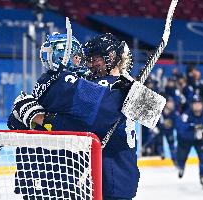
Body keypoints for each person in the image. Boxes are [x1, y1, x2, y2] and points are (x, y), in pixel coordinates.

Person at [10, 33, 162, 200]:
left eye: (94, 58)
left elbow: (82, 123)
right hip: (117, 173)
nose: (89, 64)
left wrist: (42, 118)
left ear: (110, 57)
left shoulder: (104, 85)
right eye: (87, 59)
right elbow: (150, 109)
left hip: (109, 175)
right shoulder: (121, 85)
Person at [154, 97, 178, 164]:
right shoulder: (159, 111)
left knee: (172, 145)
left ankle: (174, 159)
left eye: (172, 103)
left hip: (169, 131)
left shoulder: (174, 113)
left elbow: (176, 122)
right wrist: (154, 127)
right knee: (159, 142)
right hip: (160, 130)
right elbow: (155, 121)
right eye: (170, 103)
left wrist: (172, 125)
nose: (171, 104)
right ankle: (161, 153)